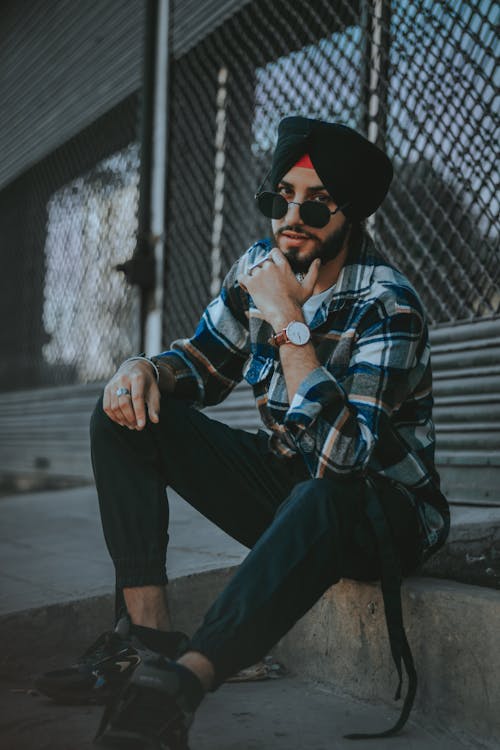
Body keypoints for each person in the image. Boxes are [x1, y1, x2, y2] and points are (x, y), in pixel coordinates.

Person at [35, 117, 450, 748]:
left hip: (379, 512)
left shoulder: (387, 306)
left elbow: (344, 462)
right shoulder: (259, 266)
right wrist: (141, 367)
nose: (293, 215)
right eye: (281, 196)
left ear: (352, 213)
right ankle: (147, 645)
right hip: (291, 481)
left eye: (317, 203)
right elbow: (202, 365)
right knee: (123, 411)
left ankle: (183, 686)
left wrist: (288, 322)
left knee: (319, 492)